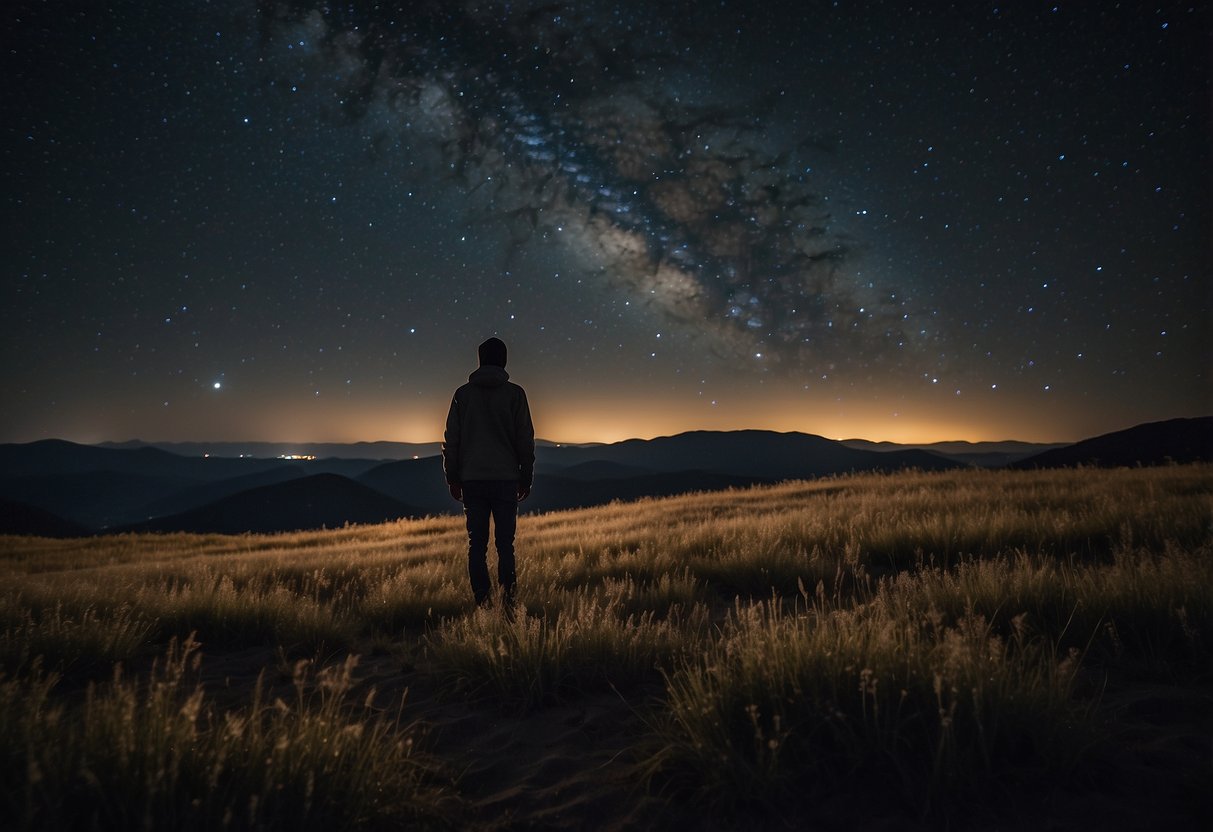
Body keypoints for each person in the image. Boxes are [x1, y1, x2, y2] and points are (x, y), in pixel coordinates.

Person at [442, 337, 535, 608]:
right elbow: (525, 440)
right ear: (504, 360)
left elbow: (452, 439)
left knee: (477, 545)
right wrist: (525, 477)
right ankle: (508, 602)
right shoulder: (515, 394)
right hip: (506, 479)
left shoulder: (463, 394)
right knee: (506, 545)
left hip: (472, 480)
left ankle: (482, 602)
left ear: (480, 359)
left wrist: (453, 477)